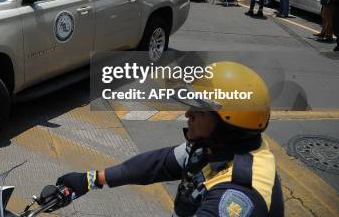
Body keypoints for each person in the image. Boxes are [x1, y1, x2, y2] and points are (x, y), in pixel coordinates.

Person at [56, 62, 283, 217]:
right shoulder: (216, 146)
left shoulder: (237, 195)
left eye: (199, 110)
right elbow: (159, 164)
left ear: (226, 123)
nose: (188, 114)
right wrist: (92, 179)